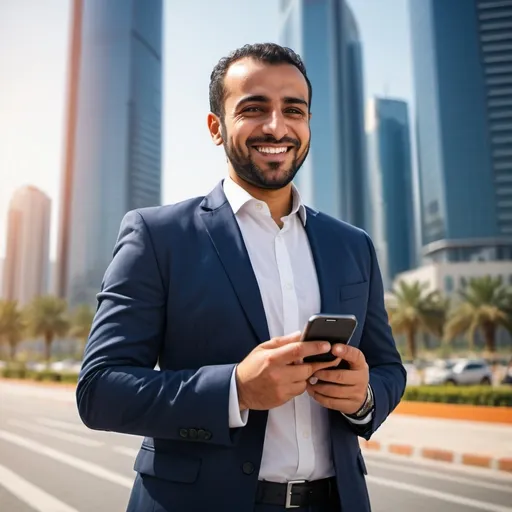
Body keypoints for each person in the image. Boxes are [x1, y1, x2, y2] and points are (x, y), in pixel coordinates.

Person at [77, 42, 406, 512]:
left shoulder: (353, 245)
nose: (277, 126)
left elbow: (389, 367)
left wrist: (365, 397)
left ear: (308, 123)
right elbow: (100, 390)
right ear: (217, 127)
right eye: (254, 109)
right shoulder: (157, 236)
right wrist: (236, 389)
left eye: (294, 110)